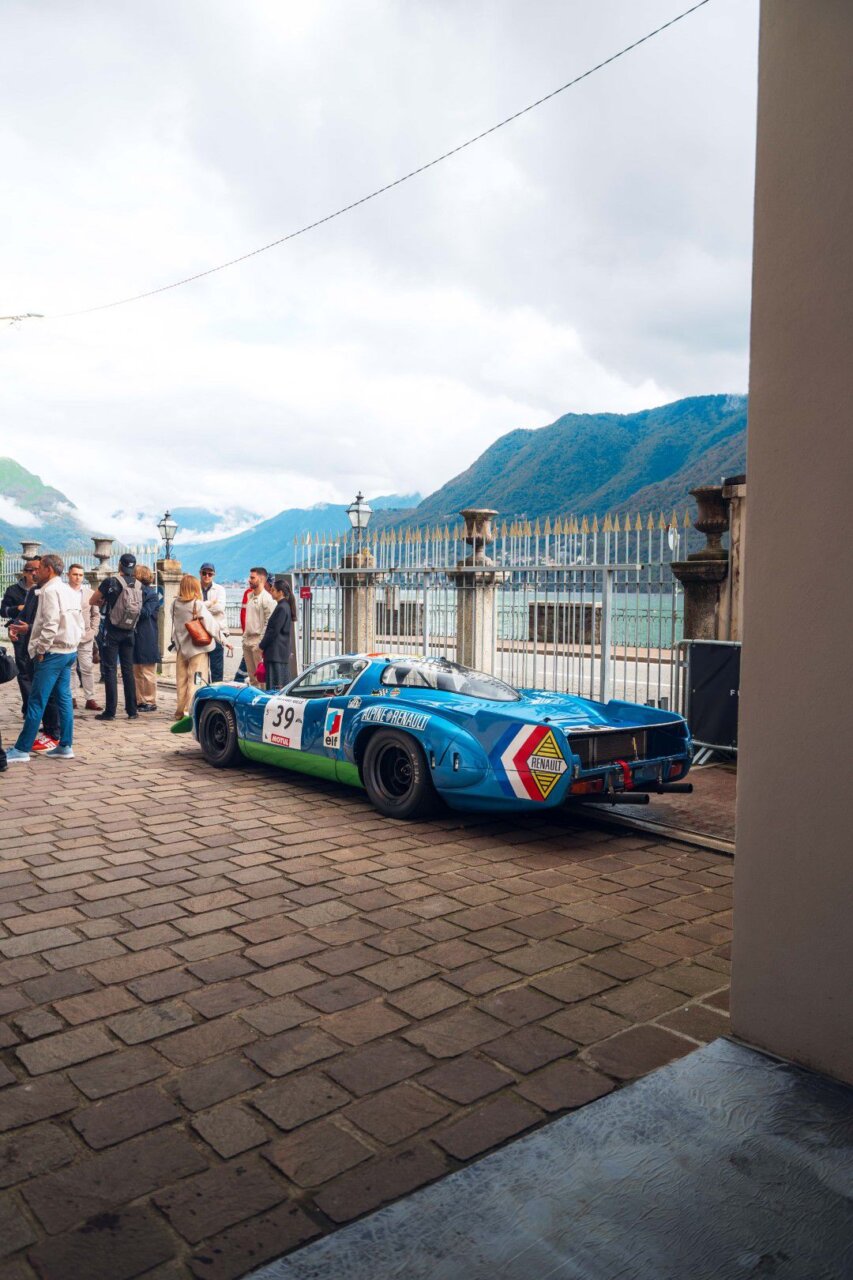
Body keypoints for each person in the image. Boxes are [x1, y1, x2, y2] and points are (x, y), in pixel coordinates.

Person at [5, 553, 83, 763]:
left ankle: (22, 749)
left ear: (49, 569)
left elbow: (50, 624)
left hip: (52, 653)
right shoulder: (69, 590)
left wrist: (40, 649)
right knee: (64, 699)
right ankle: (65, 745)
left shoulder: (49, 591)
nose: (35, 572)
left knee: (36, 701)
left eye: (38, 569)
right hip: (68, 651)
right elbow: (78, 622)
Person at [89, 552, 143, 720]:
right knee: (128, 670)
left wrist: (105, 601)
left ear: (120, 565)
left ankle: (110, 711)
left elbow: (92, 600)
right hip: (130, 630)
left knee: (110, 669)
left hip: (112, 630)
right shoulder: (138, 585)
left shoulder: (111, 582)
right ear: (134, 566)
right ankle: (132, 711)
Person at [170, 574, 230, 718]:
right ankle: (190, 711)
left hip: (181, 648)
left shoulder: (175, 604)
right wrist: (224, 640)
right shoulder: (197, 604)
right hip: (198, 649)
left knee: (181, 680)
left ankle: (180, 710)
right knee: (196, 679)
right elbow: (211, 626)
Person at [1, 556, 41, 714]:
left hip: (38, 633)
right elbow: (3, 611)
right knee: (23, 670)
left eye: (37, 570)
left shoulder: (43, 589)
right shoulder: (12, 590)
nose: (33, 573)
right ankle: (29, 706)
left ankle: (35, 705)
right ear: (24, 572)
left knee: (38, 670)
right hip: (19, 633)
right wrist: (17, 608)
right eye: (30, 571)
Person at [67, 564, 102, 711]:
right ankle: (72, 697)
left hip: (86, 636)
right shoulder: (63, 592)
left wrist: (93, 631)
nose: (78, 577)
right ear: (68, 575)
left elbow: (96, 614)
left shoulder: (89, 593)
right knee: (70, 668)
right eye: (75, 574)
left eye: (80, 575)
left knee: (87, 667)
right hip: (68, 636)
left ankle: (90, 698)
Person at [133, 565, 162, 711]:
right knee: (136, 670)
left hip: (147, 635)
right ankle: (139, 700)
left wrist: (130, 608)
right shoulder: (133, 591)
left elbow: (145, 613)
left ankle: (150, 701)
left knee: (148, 672)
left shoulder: (151, 594)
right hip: (135, 634)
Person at [241, 566, 274, 686]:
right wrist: (244, 638)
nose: (249, 580)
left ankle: (262, 698)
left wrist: (260, 644)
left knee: (262, 678)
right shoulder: (249, 596)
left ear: (260, 579)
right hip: (247, 641)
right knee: (252, 679)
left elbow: (269, 623)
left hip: (257, 642)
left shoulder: (267, 599)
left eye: (252, 578)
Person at [259, 576, 294, 690]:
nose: (271, 591)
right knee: (280, 684)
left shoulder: (282, 608)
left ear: (280, 592)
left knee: (275, 686)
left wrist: (261, 646)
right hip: (279, 653)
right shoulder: (284, 606)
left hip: (276, 654)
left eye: (273, 590)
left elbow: (273, 631)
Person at [199, 563, 227, 682]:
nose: (207, 576)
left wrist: (201, 608)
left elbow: (220, 608)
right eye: (204, 573)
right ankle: (201, 689)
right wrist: (210, 604)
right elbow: (192, 608)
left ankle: (216, 690)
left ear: (213, 575)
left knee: (217, 669)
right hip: (199, 633)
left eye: (210, 574)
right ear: (200, 573)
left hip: (217, 633)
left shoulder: (220, 589)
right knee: (200, 668)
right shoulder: (195, 588)